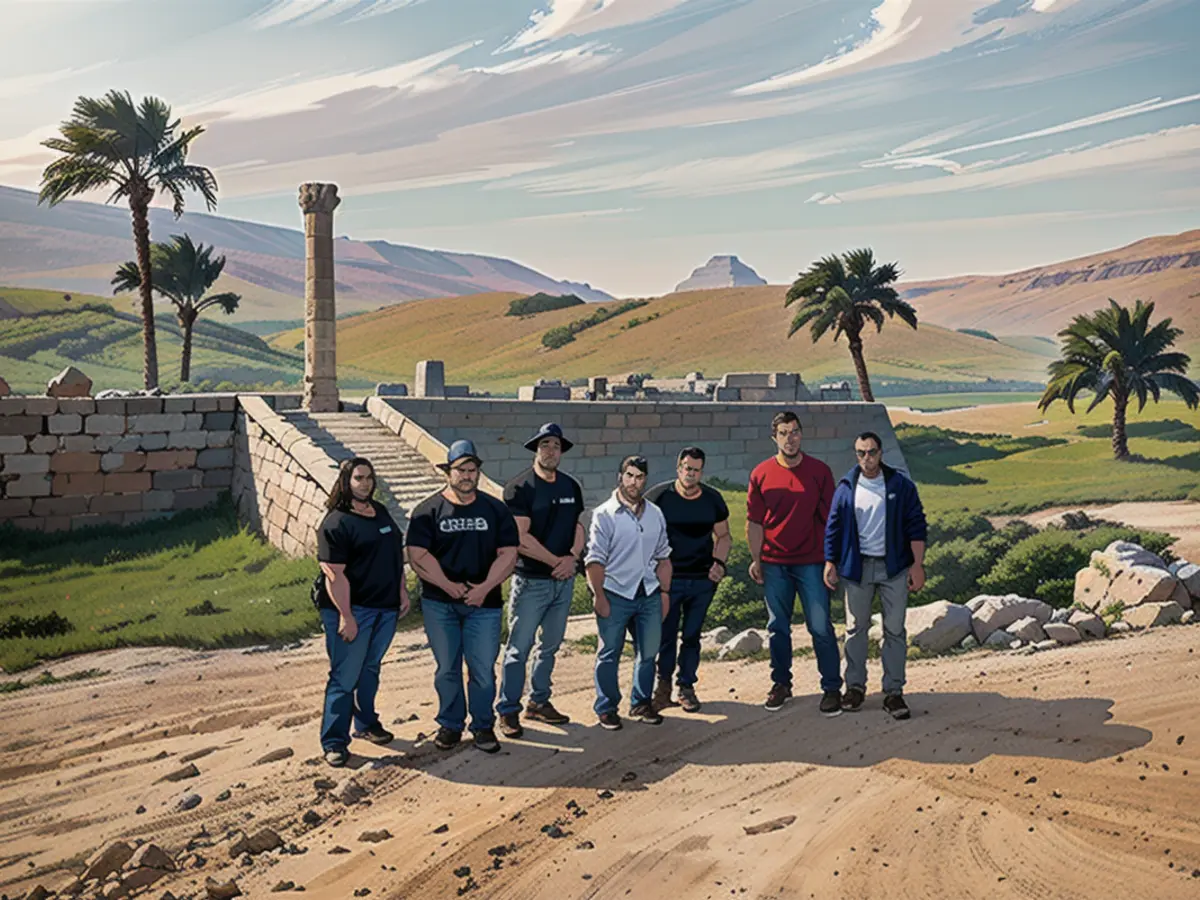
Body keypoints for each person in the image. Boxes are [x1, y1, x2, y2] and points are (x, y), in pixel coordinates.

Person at [406, 440, 519, 754]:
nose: (467, 476)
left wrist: (483, 588)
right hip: (440, 604)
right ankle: (450, 725)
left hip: (484, 605)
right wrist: (448, 586)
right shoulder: (427, 511)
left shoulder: (495, 509)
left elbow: (508, 553)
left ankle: (483, 726)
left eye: (472, 470)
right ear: (448, 472)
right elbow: (418, 555)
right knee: (447, 668)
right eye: (461, 470)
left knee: (482, 669)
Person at [824, 431, 927, 720]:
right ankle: (854, 688)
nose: (866, 458)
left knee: (894, 630)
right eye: (860, 453)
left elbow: (916, 525)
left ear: (880, 453)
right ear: (855, 454)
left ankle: (893, 692)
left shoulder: (901, 485)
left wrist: (916, 565)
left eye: (871, 452)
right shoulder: (846, 486)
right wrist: (830, 562)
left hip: (893, 567)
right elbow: (833, 527)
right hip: (856, 568)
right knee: (856, 629)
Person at [316, 457, 410, 768]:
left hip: (385, 608)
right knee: (344, 677)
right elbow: (334, 575)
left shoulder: (379, 512)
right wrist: (347, 616)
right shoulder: (336, 523)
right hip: (353, 611)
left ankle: (367, 723)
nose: (366, 483)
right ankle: (334, 741)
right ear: (346, 482)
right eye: (359, 478)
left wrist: (401, 591)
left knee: (370, 669)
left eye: (369, 477)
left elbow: (395, 554)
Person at [747, 411, 842, 715]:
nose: (790, 438)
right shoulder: (760, 473)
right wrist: (756, 559)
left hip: (812, 563)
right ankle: (781, 684)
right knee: (778, 627)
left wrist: (831, 561)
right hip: (774, 563)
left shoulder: (819, 471)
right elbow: (755, 522)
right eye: (784, 433)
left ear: (802, 434)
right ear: (774, 437)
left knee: (820, 627)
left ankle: (831, 688)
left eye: (795, 432)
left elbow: (831, 521)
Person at [496, 423, 585, 739]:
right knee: (519, 649)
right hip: (532, 581)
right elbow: (519, 537)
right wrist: (555, 562)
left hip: (564, 581)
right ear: (536, 448)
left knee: (550, 646)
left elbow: (577, 527)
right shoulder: (520, 488)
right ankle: (508, 709)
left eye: (556, 446)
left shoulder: (571, 486)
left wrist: (572, 558)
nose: (551, 451)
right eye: (545, 444)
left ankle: (539, 701)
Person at [585, 455, 672, 730]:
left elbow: (663, 556)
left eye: (640, 477)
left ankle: (641, 702)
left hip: (648, 592)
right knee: (609, 652)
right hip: (615, 591)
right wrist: (598, 595)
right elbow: (594, 559)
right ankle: (607, 707)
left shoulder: (655, 514)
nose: (635, 482)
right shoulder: (604, 514)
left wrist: (665, 593)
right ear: (620, 476)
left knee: (648, 652)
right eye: (630, 475)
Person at [644, 447, 731, 713]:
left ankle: (686, 687)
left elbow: (724, 536)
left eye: (695, 469)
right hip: (668, 580)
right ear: (678, 468)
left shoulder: (712, 499)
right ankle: (663, 688)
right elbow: (641, 531)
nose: (690, 473)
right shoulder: (659, 496)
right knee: (666, 635)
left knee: (692, 635)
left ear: (701, 471)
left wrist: (719, 564)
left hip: (701, 580)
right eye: (686, 468)